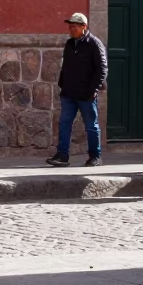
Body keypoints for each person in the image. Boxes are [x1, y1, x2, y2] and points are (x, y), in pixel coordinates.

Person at [45, 12, 108, 168]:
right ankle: (62, 155)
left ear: (83, 27)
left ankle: (95, 156)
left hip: (86, 93)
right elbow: (66, 65)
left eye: (74, 27)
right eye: (70, 27)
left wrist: (94, 88)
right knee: (65, 123)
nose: (71, 30)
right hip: (69, 92)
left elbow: (102, 69)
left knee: (91, 126)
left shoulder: (94, 44)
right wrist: (63, 83)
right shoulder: (70, 44)